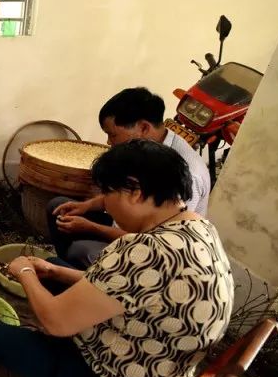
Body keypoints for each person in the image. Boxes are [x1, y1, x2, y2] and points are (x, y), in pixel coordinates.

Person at [0, 140, 233, 377]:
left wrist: (25, 273)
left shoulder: (144, 251)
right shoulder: (196, 226)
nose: (105, 205)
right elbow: (134, 290)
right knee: (53, 266)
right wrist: (59, 273)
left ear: (135, 192)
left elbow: (56, 323)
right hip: (160, 366)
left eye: (107, 194)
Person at [47, 87, 211, 269]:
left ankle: (80, 274)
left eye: (112, 134)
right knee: (58, 208)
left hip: (150, 251)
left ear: (143, 127)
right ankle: (69, 268)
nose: (109, 142)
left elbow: (153, 242)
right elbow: (123, 191)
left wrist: (92, 228)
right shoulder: (146, 151)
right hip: (131, 227)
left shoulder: (187, 172)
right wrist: (86, 206)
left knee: (81, 251)